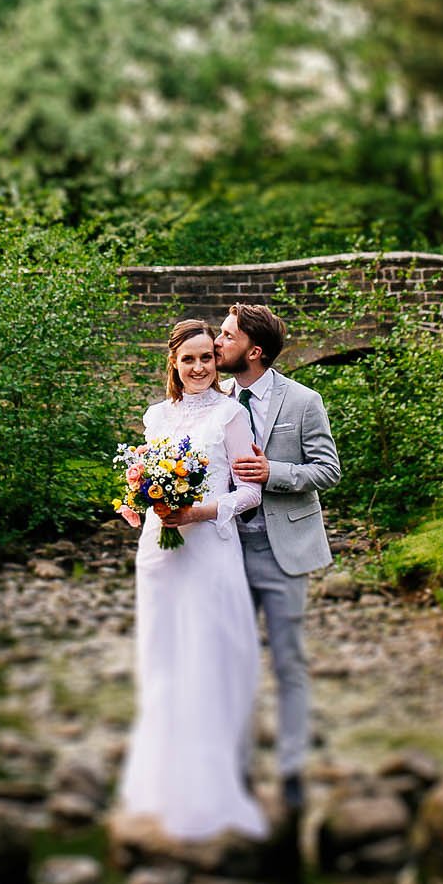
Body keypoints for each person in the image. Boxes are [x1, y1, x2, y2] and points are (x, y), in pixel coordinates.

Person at [115, 319, 268, 842]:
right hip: (159, 552)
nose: (200, 367)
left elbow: (249, 493)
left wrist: (199, 511)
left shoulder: (231, 414)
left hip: (209, 549)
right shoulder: (155, 416)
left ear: (216, 361)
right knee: (163, 656)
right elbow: (146, 479)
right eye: (189, 359)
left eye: (207, 357)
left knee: (205, 654)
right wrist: (139, 501)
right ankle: (160, 783)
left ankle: (211, 786)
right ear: (174, 364)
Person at [216, 303, 341, 814]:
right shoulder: (213, 400)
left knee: (289, 663)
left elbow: (328, 470)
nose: (217, 343)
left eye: (227, 336)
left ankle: (291, 771)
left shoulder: (304, 401)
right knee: (233, 664)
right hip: (223, 551)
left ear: (255, 351)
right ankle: (237, 768)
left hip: (282, 551)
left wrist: (275, 473)